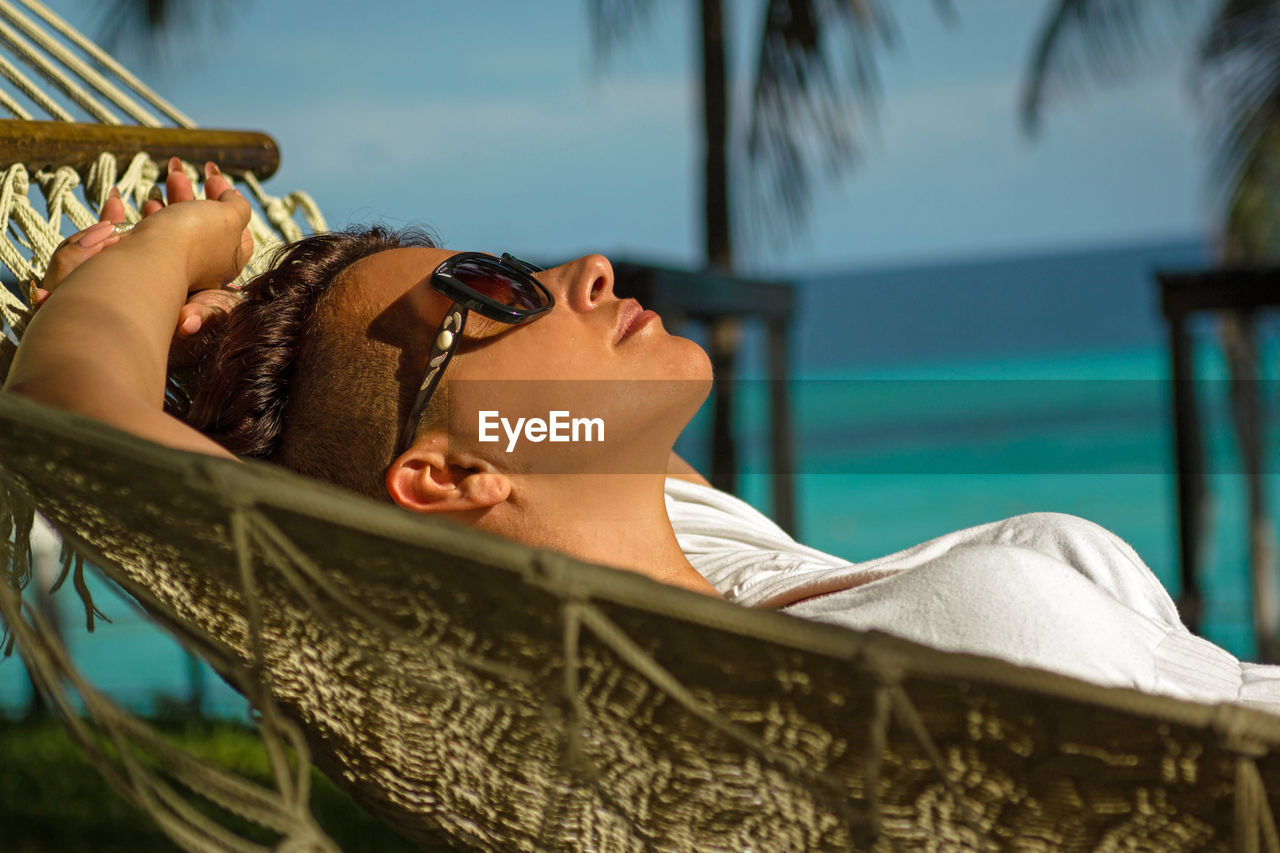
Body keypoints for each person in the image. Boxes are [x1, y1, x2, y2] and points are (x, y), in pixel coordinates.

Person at [6, 160, 1280, 711]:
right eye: (495, 292)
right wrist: (166, 248)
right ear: (451, 474)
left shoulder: (712, 553)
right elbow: (79, 413)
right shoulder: (724, 689)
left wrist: (218, 307)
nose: (585, 267)